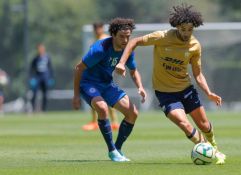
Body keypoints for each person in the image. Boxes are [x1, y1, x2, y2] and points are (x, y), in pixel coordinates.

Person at [115, 4, 226, 164]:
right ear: (177, 26)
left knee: (204, 124)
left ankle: (213, 144)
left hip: (186, 89)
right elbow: (134, 42)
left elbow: (197, 74)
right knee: (183, 123)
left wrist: (208, 93)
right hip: (165, 93)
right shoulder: (163, 37)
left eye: (190, 29)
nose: (186, 33)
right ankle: (211, 152)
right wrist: (121, 62)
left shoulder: (195, 46)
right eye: (183, 29)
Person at [72, 18, 147, 162]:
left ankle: (117, 149)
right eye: (122, 36)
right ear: (113, 34)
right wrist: (76, 95)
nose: (125, 40)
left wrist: (140, 87)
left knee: (133, 113)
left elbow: (133, 71)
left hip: (106, 84)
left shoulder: (127, 50)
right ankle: (111, 151)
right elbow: (78, 68)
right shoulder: (100, 49)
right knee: (102, 108)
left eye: (128, 36)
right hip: (88, 83)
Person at [82, 22, 120, 131]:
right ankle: (97, 121)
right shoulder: (97, 39)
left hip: (103, 74)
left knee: (102, 98)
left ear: (102, 29)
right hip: (96, 73)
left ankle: (113, 122)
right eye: (96, 29)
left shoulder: (104, 39)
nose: (97, 30)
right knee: (94, 97)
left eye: (99, 28)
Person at [29, 43, 54, 112]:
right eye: (39, 48)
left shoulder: (47, 57)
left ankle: (44, 109)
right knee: (34, 93)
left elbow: (50, 68)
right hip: (37, 77)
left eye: (42, 48)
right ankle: (33, 109)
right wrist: (31, 78)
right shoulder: (35, 58)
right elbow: (31, 69)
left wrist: (51, 78)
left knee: (45, 94)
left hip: (45, 77)